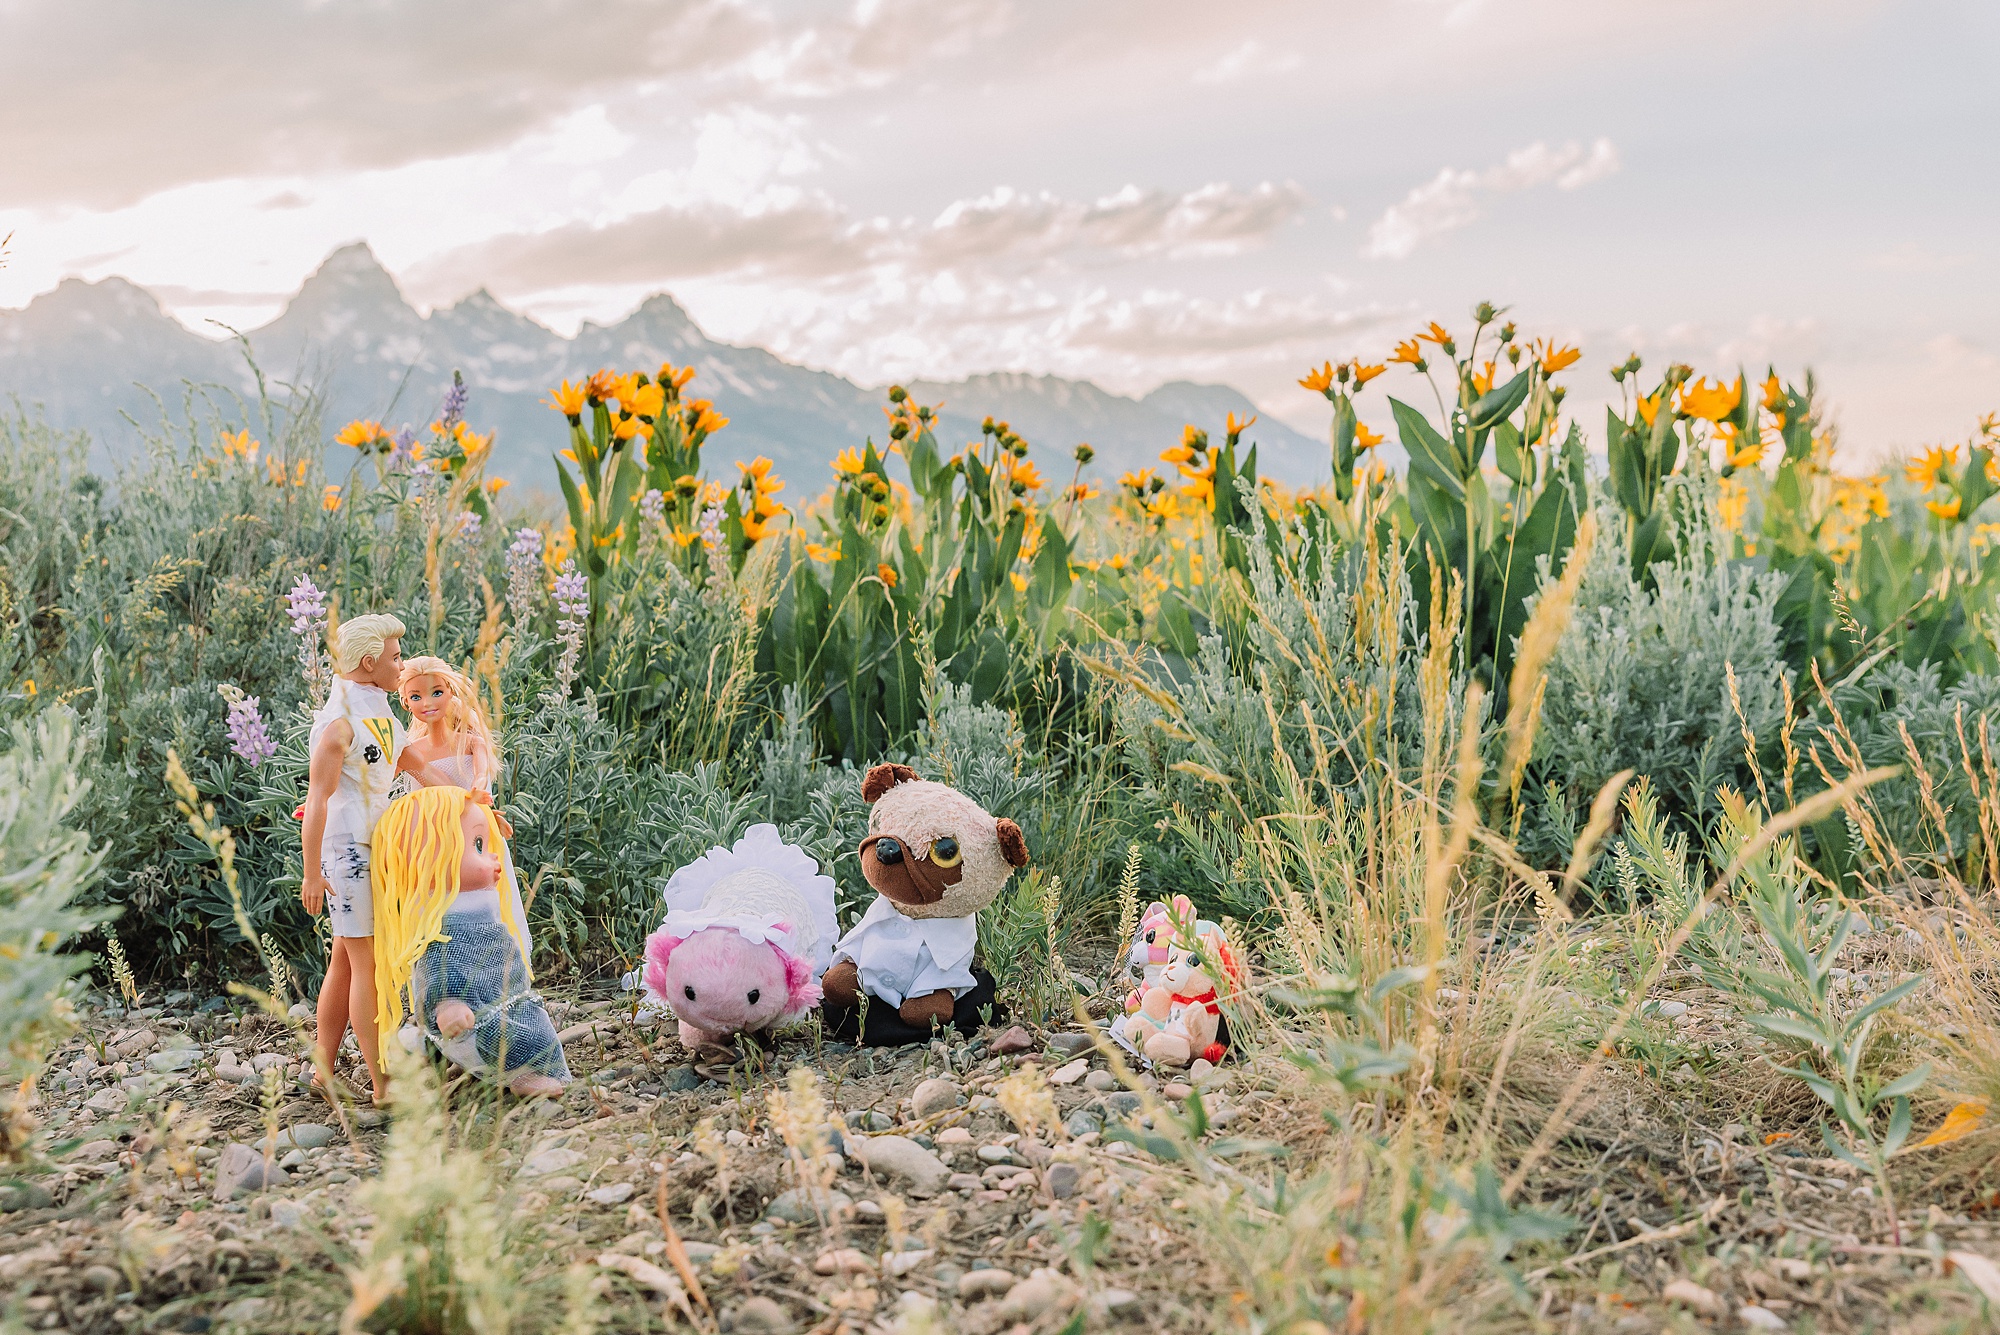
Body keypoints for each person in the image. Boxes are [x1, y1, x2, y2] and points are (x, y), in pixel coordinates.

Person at [299, 613, 444, 1105]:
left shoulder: (377, 712)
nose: (401, 666)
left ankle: (324, 1068)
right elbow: (317, 799)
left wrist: (471, 800)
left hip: (372, 846)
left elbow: (414, 764)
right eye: (395, 658)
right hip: (347, 851)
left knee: (344, 960)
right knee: (370, 965)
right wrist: (311, 871)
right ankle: (382, 1083)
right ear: (368, 663)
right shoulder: (339, 723)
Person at [370, 784, 568, 1097]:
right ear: (431, 857)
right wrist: (447, 1003)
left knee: (532, 1030)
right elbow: (438, 965)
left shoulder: (482, 909)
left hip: (508, 1002)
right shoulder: (444, 924)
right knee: (505, 1038)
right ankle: (517, 1075)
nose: (491, 855)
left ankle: (436, 1054)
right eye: (477, 844)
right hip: (474, 1017)